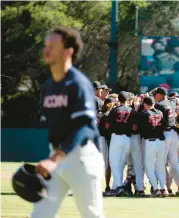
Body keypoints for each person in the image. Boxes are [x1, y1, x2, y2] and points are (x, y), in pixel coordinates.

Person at [33, 27, 104, 218]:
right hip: (57, 156)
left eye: (53, 46)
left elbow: (83, 128)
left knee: (91, 215)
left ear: (68, 51)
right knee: (40, 214)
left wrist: (54, 159)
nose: (46, 50)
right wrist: (53, 156)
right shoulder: (49, 86)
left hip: (81, 157)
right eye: (46, 46)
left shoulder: (78, 84)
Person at [154, 87, 179, 195]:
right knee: (175, 163)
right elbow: (175, 100)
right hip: (174, 135)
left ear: (160, 95)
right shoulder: (171, 102)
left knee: (161, 163)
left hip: (166, 134)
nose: (155, 97)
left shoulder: (159, 105)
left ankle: (164, 188)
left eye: (156, 95)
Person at [106, 91, 136, 196]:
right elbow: (134, 127)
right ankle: (115, 188)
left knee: (114, 163)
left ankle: (118, 186)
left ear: (118, 99)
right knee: (121, 165)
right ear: (128, 100)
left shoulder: (115, 110)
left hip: (116, 137)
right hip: (127, 139)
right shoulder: (132, 111)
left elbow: (107, 125)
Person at [138, 96, 168, 197]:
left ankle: (155, 189)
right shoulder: (160, 112)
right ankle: (164, 188)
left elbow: (139, 128)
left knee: (149, 168)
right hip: (161, 142)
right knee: (160, 167)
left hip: (150, 142)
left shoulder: (143, 114)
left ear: (145, 104)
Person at [98, 97, 116, 195]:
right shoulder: (107, 115)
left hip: (103, 139)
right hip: (106, 140)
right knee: (107, 165)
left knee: (106, 165)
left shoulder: (101, 115)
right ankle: (108, 186)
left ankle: (107, 186)